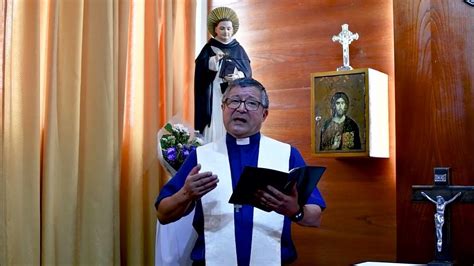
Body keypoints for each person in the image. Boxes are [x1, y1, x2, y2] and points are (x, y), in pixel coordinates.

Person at [156, 78, 325, 265]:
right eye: (234, 101)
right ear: (223, 108)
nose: (241, 108)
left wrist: (295, 211)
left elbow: (315, 216)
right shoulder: (201, 156)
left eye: (252, 103)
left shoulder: (287, 154)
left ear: (264, 114)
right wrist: (185, 194)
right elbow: (163, 214)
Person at [194, 7, 252, 143]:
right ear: (215, 30)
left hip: (233, 93)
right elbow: (201, 73)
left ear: (233, 29)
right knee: (216, 119)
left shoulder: (238, 49)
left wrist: (238, 77)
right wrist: (213, 61)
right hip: (214, 93)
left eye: (228, 28)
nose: (226, 32)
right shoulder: (209, 49)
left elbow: (247, 72)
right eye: (222, 28)